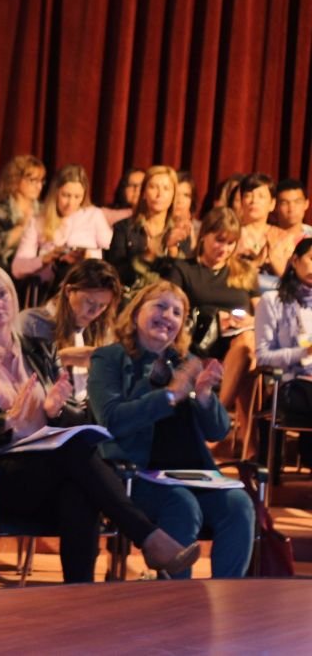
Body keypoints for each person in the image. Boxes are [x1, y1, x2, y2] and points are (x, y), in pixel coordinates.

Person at [0, 264, 200, 583]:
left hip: (49, 469)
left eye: (2, 294)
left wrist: (55, 411)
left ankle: (81, 592)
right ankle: (149, 538)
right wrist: (6, 422)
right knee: (76, 456)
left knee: (79, 490)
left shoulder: (40, 350)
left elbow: (76, 418)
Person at [89, 281, 256, 578]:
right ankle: (175, 598)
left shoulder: (186, 362)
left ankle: (229, 595)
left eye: (177, 312)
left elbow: (218, 432)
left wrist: (205, 397)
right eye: (160, 306)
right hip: (137, 475)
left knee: (238, 505)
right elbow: (112, 421)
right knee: (181, 504)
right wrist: (167, 395)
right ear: (137, 311)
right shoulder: (109, 358)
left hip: (193, 474)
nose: (168, 316)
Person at [168, 207, 259, 427]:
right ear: (204, 235)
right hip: (199, 343)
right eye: (219, 240)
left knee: (247, 345)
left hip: (237, 343)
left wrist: (250, 321)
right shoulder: (183, 269)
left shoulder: (245, 272)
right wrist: (215, 318)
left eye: (231, 243)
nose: (224, 249)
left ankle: (217, 415)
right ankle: (228, 430)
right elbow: (171, 310)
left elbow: (263, 315)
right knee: (248, 366)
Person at [18, 259, 122, 402]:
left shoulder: (101, 327)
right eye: (90, 302)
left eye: (102, 306)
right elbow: (22, 382)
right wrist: (63, 358)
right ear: (68, 291)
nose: (94, 312)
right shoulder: (33, 324)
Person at [255, 236, 312, 465]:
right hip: (291, 384)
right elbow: (263, 356)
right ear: (295, 260)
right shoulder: (272, 301)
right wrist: (304, 353)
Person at [11, 164, 112, 290]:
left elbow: (112, 251)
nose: (71, 203)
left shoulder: (94, 215)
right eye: (66, 195)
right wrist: (46, 259)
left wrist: (88, 257)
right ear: (56, 193)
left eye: (77, 197)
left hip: (86, 285)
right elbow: (17, 269)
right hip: (50, 288)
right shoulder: (39, 221)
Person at [105, 165, 192, 292]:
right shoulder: (124, 228)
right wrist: (149, 254)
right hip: (131, 295)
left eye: (166, 189)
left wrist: (173, 249)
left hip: (167, 296)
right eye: (153, 187)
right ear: (144, 193)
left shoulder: (179, 231)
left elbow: (185, 278)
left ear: (173, 195)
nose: (159, 194)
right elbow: (117, 273)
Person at [0, 155, 45, 274]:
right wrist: (20, 229)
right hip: (3, 273)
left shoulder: (43, 211)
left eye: (41, 181)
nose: (39, 186)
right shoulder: (0, 211)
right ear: (16, 179)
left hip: (37, 272)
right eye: (33, 180)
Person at [269, 179, 312, 281]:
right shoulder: (267, 234)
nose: (291, 208)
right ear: (276, 206)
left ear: (306, 204)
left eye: (297, 202)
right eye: (284, 203)